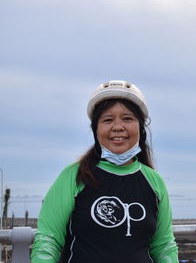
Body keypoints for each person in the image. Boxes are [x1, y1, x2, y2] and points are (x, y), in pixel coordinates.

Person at [31, 80, 178, 263]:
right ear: (96, 130)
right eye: (107, 120)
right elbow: (48, 241)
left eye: (127, 118)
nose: (118, 127)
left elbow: (164, 246)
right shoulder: (74, 176)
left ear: (140, 127)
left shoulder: (154, 182)